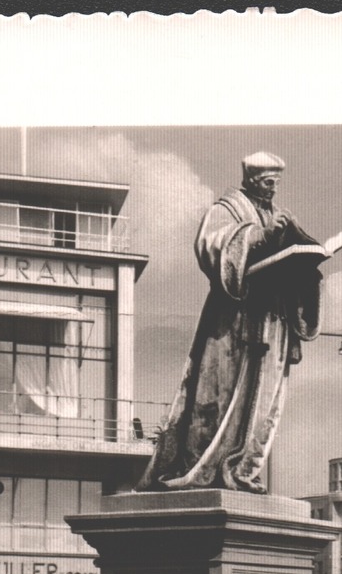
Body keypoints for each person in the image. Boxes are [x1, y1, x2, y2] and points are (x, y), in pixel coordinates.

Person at [138, 152, 326, 492]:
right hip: (234, 317)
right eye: (268, 183)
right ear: (253, 180)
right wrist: (258, 237)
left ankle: (242, 469)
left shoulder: (282, 216)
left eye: (277, 183)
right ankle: (201, 467)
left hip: (272, 318)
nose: (273, 190)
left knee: (264, 402)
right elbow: (210, 246)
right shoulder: (226, 209)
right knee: (217, 394)